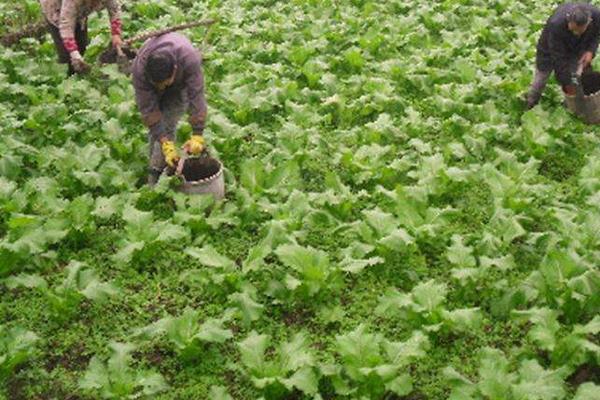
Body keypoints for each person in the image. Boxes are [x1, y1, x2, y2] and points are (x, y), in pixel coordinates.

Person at [131, 32, 208, 185]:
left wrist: (197, 134)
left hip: (179, 87)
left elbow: (196, 96)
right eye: (158, 84)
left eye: (165, 82)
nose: (162, 87)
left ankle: (158, 176)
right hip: (150, 88)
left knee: (168, 123)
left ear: (174, 69)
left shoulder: (189, 60)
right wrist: (165, 144)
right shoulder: (140, 70)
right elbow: (149, 111)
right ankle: (156, 173)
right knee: (158, 131)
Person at [527, 2, 600, 109]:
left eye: (579, 31)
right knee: (541, 78)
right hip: (549, 49)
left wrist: (590, 51)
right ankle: (530, 103)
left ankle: (578, 105)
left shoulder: (597, 16)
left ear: (589, 22)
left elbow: (596, 34)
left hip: (577, 47)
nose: (575, 32)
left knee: (581, 73)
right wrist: (567, 83)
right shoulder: (556, 25)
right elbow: (559, 60)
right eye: (573, 29)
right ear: (569, 20)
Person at [40, 0, 123, 76]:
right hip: (55, 8)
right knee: (67, 56)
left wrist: (116, 34)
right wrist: (73, 53)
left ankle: (80, 74)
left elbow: (114, 8)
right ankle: (68, 79)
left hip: (80, 10)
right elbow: (66, 26)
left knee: (82, 46)